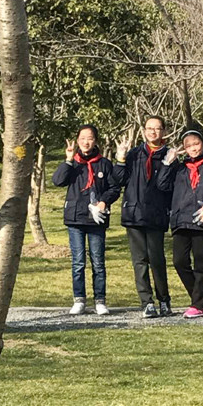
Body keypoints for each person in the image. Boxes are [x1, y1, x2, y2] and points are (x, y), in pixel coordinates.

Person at [52, 124, 120, 315]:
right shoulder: (73, 163)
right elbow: (58, 181)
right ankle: (79, 299)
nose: (86, 142)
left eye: (89, 138)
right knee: (78, 262)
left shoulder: (104, 164)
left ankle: (100, 300)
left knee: (98, 262)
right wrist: (68, 160)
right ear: (77, 141)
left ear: (95, 141)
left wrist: (104, 202)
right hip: (75, 218)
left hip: (96, 219)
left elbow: (114, 188)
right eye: (82, 138)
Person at [157, 130, 203, 318]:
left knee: (200, 262)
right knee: (179, 261)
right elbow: (162, 185)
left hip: (202, 219)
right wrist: (167, 163)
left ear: (202, 143)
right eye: (188, 146)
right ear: (184, 149)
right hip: (181, 219)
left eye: (196, 144)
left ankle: (198, 305)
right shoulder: (179, 168)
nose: (193, 148)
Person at [114, 116, 172, 318]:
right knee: (140, 261)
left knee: (157, 260)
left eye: (157, 128)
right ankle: (146, 302)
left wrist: (167, 164)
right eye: (149, 128)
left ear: (163, 131)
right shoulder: (135, 154)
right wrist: (121, 159)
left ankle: (164, 299)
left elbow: (165, 186)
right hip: (134, 214)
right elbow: (119, 180)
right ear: (144, 131)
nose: (153, 132)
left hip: (156, 214)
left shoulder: (170, 156)